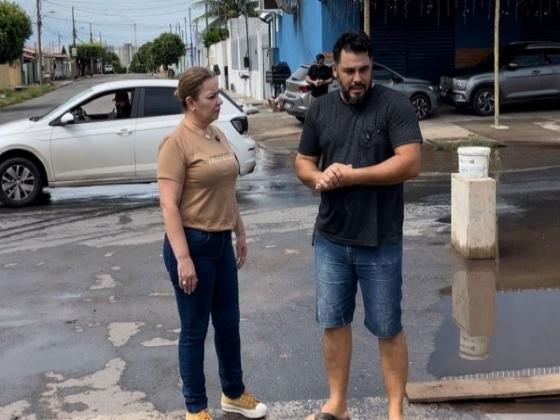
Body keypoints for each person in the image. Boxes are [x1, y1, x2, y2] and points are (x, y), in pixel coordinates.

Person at [295, 32, 422, 420]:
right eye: (349, 70)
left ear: (372, 68)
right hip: (332, 238)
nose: (357, 78)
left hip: (380, 239)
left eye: (364, 70)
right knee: (334, 323)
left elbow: (410, 163)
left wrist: (352, 176)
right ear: (334, 71)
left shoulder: (395, 106)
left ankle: (395, 410)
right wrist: (317, 178)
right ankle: (337, 403)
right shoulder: (319, 110)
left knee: (387, 326)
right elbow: (302, 162)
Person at [157, 67, 268, 420]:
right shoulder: (176, 143)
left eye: (218, 94)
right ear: (190, 102)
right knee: (194, 330)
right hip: (193, 245)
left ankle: (233, 394)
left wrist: (240, 231)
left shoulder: (216, 135)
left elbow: (226, 187)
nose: (219, 102)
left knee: (229, 323)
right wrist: (183, 259)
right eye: (211, 97)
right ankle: (195, 409)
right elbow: (168, 204)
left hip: (220, 243)